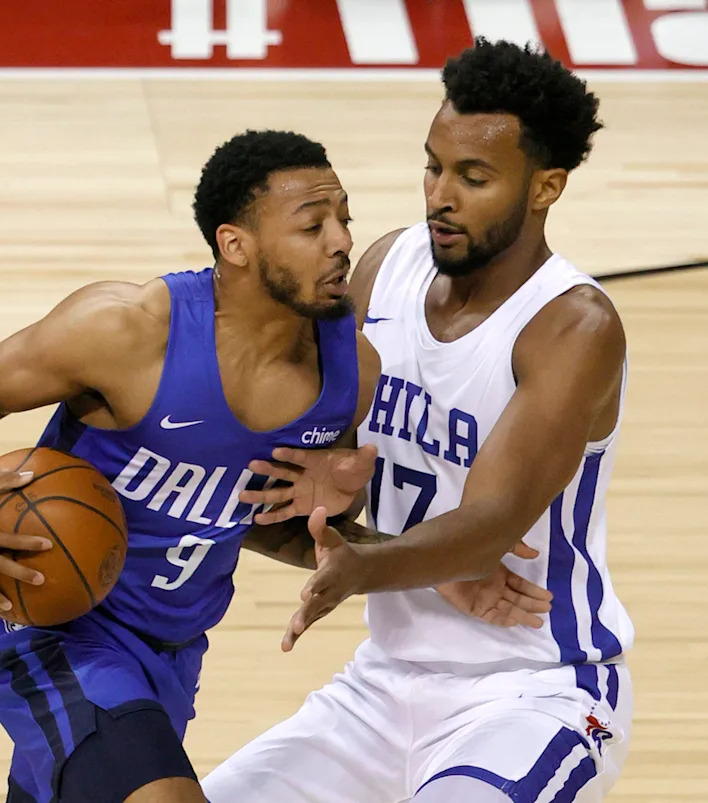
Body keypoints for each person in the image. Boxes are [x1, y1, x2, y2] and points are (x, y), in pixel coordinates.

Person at [202, 39, 635, 803]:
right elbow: (318, 469)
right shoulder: (384, 267)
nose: (440, 193)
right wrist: (324, 488)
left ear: (546, 187)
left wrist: (359, 566)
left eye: (473, 177)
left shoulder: (572, 326)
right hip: (383, 682)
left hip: (536, 691)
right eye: (433, 165)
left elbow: (489, 525)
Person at [0, 129, 382, 803]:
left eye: (344, 219)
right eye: (313, 225)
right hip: (57, 627)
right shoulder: (127, 331)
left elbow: (267, 522)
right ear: (235, 244)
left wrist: (337, 519)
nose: (340, 241)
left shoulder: (349, 374)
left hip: (173, 651)